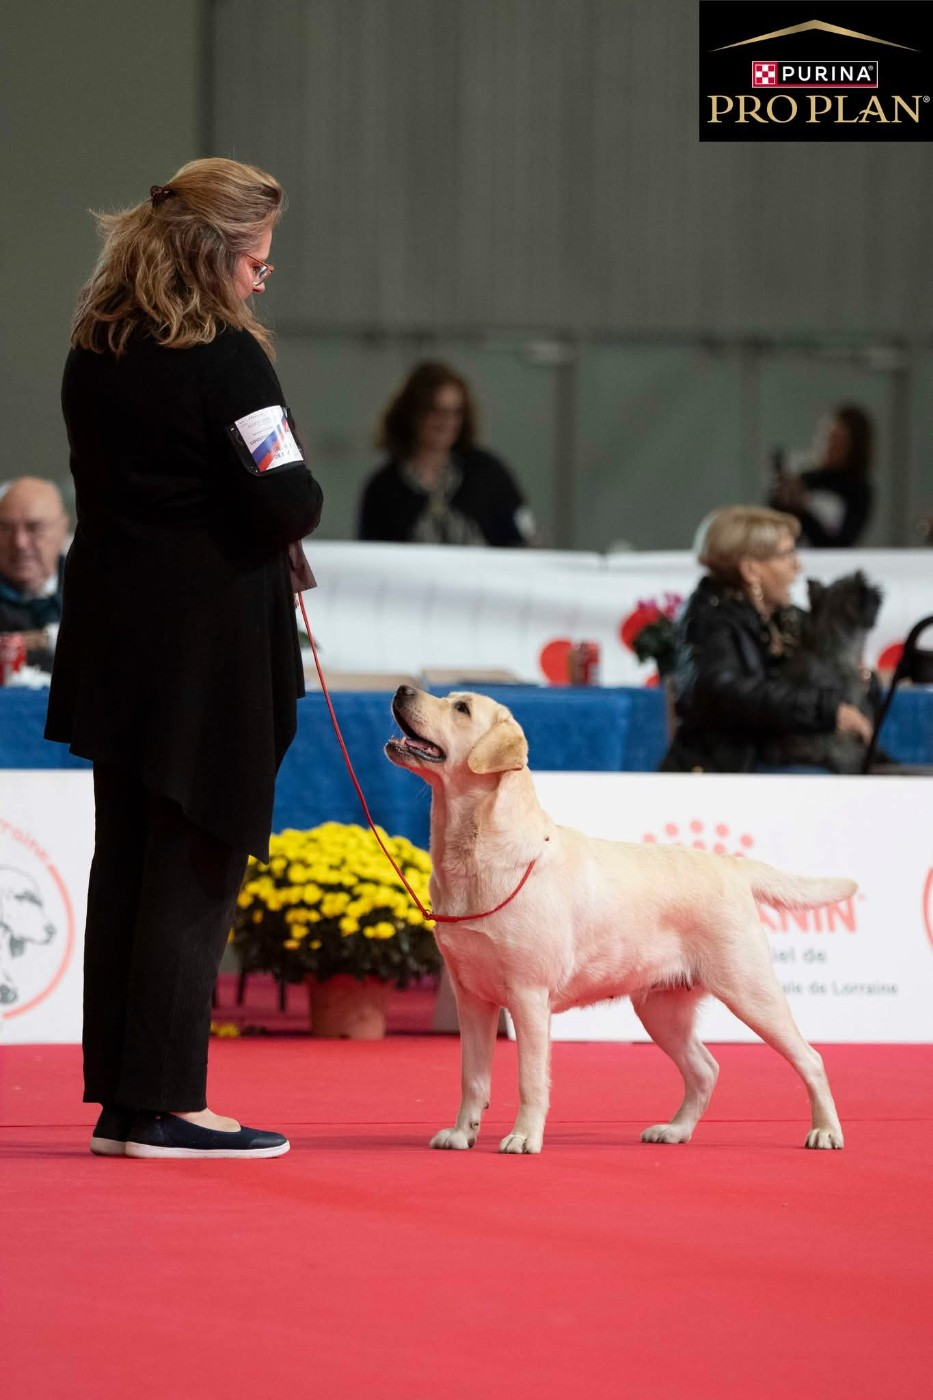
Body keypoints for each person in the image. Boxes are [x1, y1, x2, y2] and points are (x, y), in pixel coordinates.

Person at [45, 158, 324, 1160]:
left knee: (129, 860)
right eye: (257, 258)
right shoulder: (228, 360)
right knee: (194, 864)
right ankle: (168, 1103)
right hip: (206, 649)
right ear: (216, 256)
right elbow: (289, 497)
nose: (264, 277)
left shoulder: (95, 347)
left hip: (114, 637)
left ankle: (126, 1098)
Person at [660, 505, 873, 774]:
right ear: (751, 570)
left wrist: (860, 678)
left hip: (781, 757)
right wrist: (827, 711)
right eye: (787, 555)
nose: (798, 566)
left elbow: (825, 674)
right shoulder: (708, 620)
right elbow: (728, 692)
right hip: (729, 768)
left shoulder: (786, 618)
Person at [358, 360, 536, 546]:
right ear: (412, 413)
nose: (446, 422)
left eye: (455, 412)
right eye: (435, 410)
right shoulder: (383, 488)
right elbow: (372, 558)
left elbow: (523, 538)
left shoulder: (488, 473)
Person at [768, 403, 873, 547]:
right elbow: (773, 531)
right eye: (825, 437)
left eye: (837, 440)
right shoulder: (804, 479)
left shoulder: (858, 490)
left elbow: (840, 544)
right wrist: (782, 499)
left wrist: (803, 508)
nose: (827, 445)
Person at [0, 477, 69, 671]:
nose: (19, 543)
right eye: (5, 528)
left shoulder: (95, 588)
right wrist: (46, 639)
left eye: (34, 528)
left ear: (62, 530)